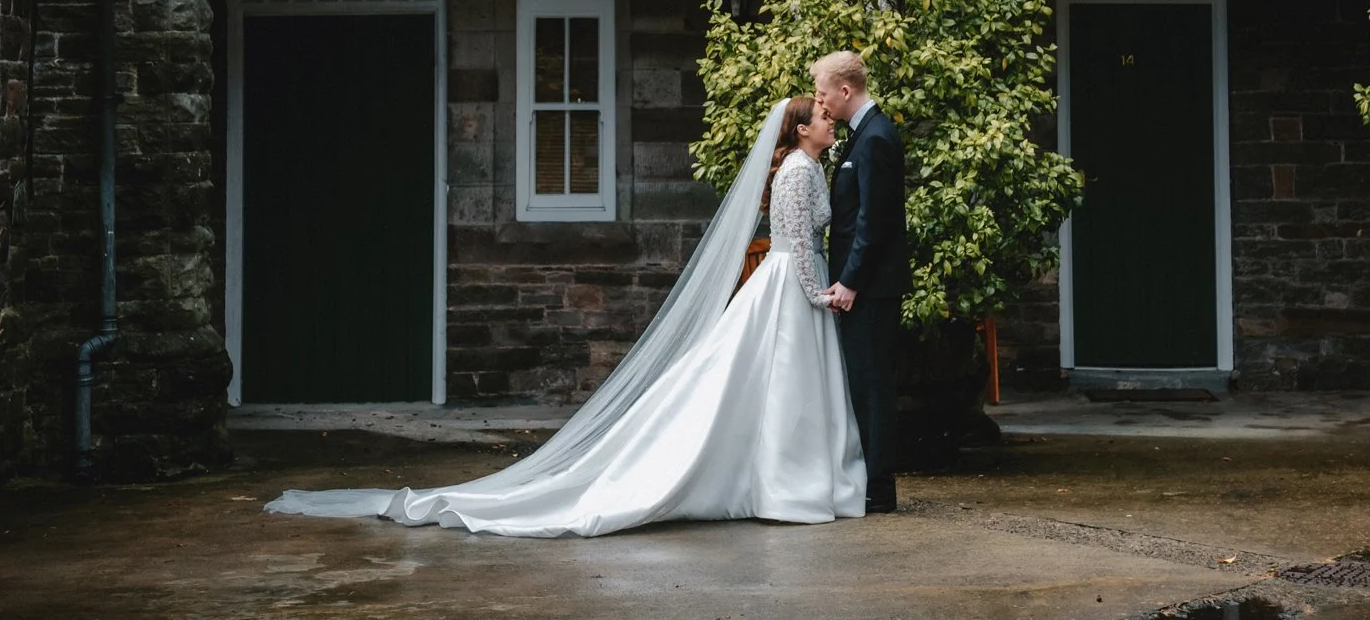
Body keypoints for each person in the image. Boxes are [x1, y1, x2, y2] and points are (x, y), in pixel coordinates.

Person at [266, 96, 865, 536]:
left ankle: (788, 480)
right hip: (793, 287)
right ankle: (784, 485)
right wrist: (821, 295)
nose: (828, 118)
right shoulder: (795, 171)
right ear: (800, 129)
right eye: (819, 114)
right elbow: (790, 244)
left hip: (797, 285)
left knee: (777, 386)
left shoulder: (810, 167)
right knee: (767, 382)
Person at [812, 50, 909, 515]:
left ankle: (879, 488)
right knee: (863, 382)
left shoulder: (876, 139)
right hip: (864, 286)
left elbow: (875, 220)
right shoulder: (861, 137)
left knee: (873, 385)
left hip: (872, 288)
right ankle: (869, 480)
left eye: (823, 91)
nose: (820, 101)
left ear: (845, 90)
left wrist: (850, 281)